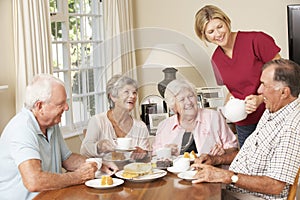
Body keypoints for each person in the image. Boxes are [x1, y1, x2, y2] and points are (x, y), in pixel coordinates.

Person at [192, 59, 300, 200]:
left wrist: (226, 176)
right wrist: (216, 159)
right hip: (236, 190)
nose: (259, 90)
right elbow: (249, 155)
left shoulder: (292, 127)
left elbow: (275, 185)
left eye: (264, 85)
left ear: (284, 92)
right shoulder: (273, 109)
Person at [0, 74, 118, 200]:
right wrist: (78, 177)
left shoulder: (51, 124)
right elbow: (34, 181)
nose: (66, 108)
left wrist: (98, 163)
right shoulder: (22, 129)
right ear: (40, 106)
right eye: (61, 104)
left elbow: (67, 159)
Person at [194, 5, 281, 148]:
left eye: (219, 26)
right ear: (204, 36)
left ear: (227, 22)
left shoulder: (256, 40)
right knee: (247, 166)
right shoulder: (216, 59)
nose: (217, 34)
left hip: (272, 115)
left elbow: (282, 73)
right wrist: (228, 105)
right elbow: (234, 89)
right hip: (244, 123)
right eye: (210, 31)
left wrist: (261, 98)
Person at [153, 79, 238, 156]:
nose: (188, 102)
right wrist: (165, 152)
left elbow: (234, 150)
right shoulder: (164, 126)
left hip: (210, 170)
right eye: (182, 100)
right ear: (174, 106)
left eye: (191, 96)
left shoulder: (214, 117)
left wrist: (223, 152)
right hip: (176, 172)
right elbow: (155, 157)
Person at [80, 74, 150, 158]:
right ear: (113, 96)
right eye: (126, 92)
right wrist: (99, 146)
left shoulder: (140, 126)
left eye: (134, 92)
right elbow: (84, 151)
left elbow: (147, 158)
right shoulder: (98, 121)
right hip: (104, 170)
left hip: (132, 170)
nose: (133, 96)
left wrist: (143, 154)